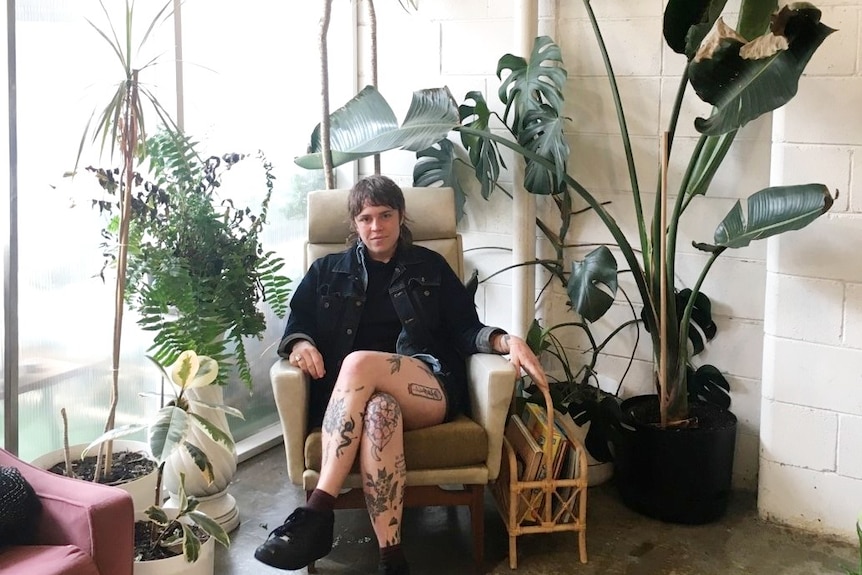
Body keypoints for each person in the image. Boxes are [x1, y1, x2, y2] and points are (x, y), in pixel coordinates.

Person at [254, 175, 548, 575]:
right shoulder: (326, 271)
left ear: (401, 216)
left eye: (385, 215)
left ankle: (317, 511)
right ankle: (392, 559)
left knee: (358, 362)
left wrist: (503, 340)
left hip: (426, 387)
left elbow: (464, 328)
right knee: (379, 414)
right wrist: (301, 344)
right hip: (356, 400)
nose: (376, 227)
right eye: (366, 218)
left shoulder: (430, 266)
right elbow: (297, 323)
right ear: (354, 224)